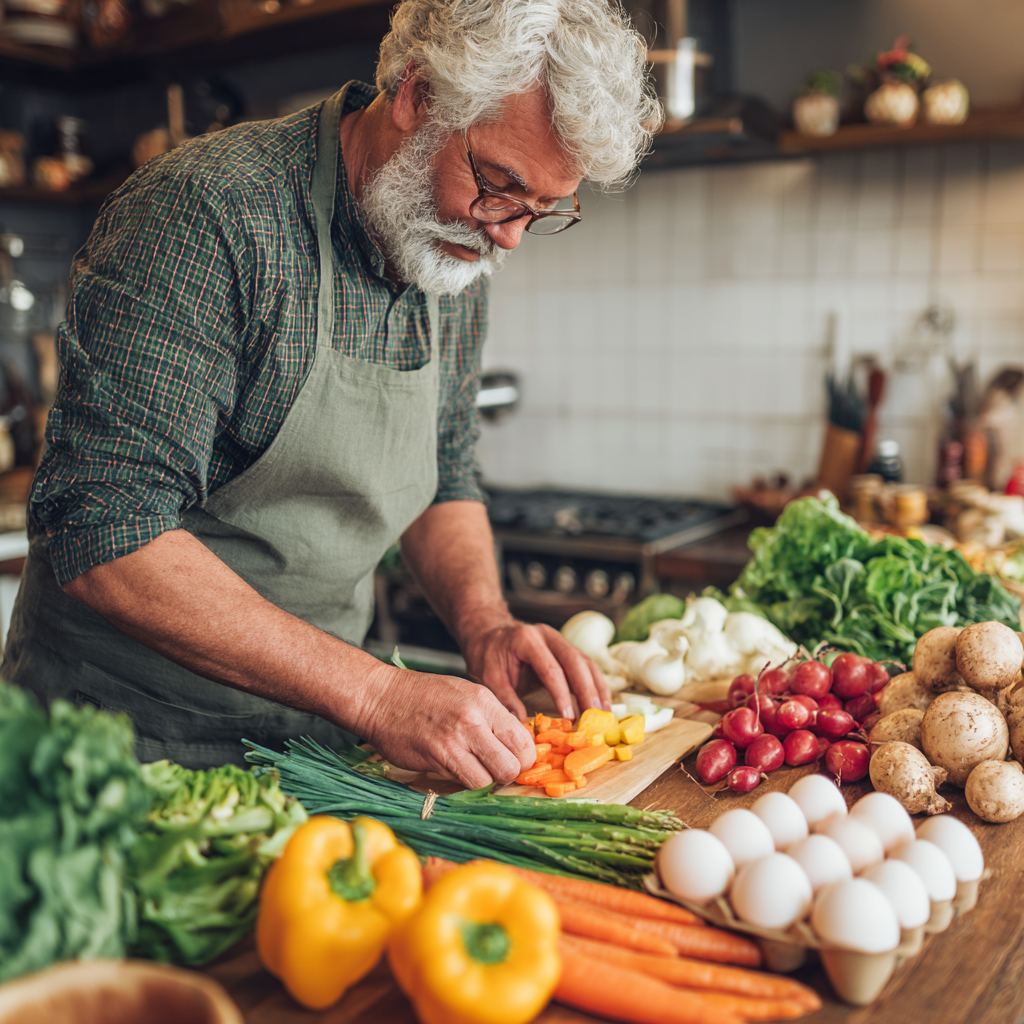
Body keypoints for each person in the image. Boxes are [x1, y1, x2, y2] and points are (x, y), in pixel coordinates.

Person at [3, 0, 661, 786]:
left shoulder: (452, 254)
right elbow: (102, 526)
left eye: (543, 212)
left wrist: (485, 624)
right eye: (499, 185)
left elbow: (444, 470)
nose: (509, 235)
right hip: (119, 755)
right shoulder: (208, 215)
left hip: (317, 755)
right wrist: (380, 692)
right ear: (417, 94)